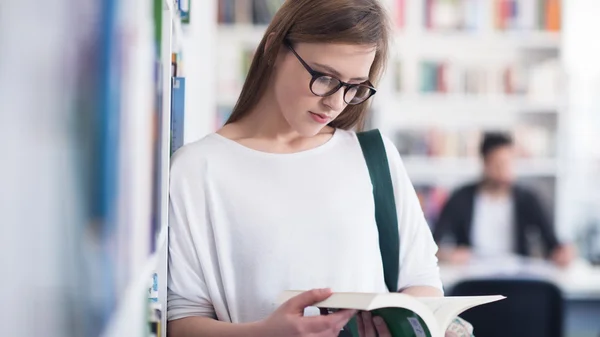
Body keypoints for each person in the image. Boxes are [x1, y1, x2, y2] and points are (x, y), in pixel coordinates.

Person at [167, 1, 471, 336]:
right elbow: (181, 321)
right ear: (273, 49)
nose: (336, 102)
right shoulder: (196, 170)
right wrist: (266, 333)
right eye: (325, 78)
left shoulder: (373, 157)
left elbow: (422, 282)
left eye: (355, 86)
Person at [433, 132, 575, 267]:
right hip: (472, 276)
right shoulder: (461, 198)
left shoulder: (528, 199)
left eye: (509, 163)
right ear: (484, 163)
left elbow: (553, 244)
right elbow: (433, 244)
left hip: (517, 278)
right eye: (498, 164)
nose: (505, 171)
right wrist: (448, 255)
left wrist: (562, 253)